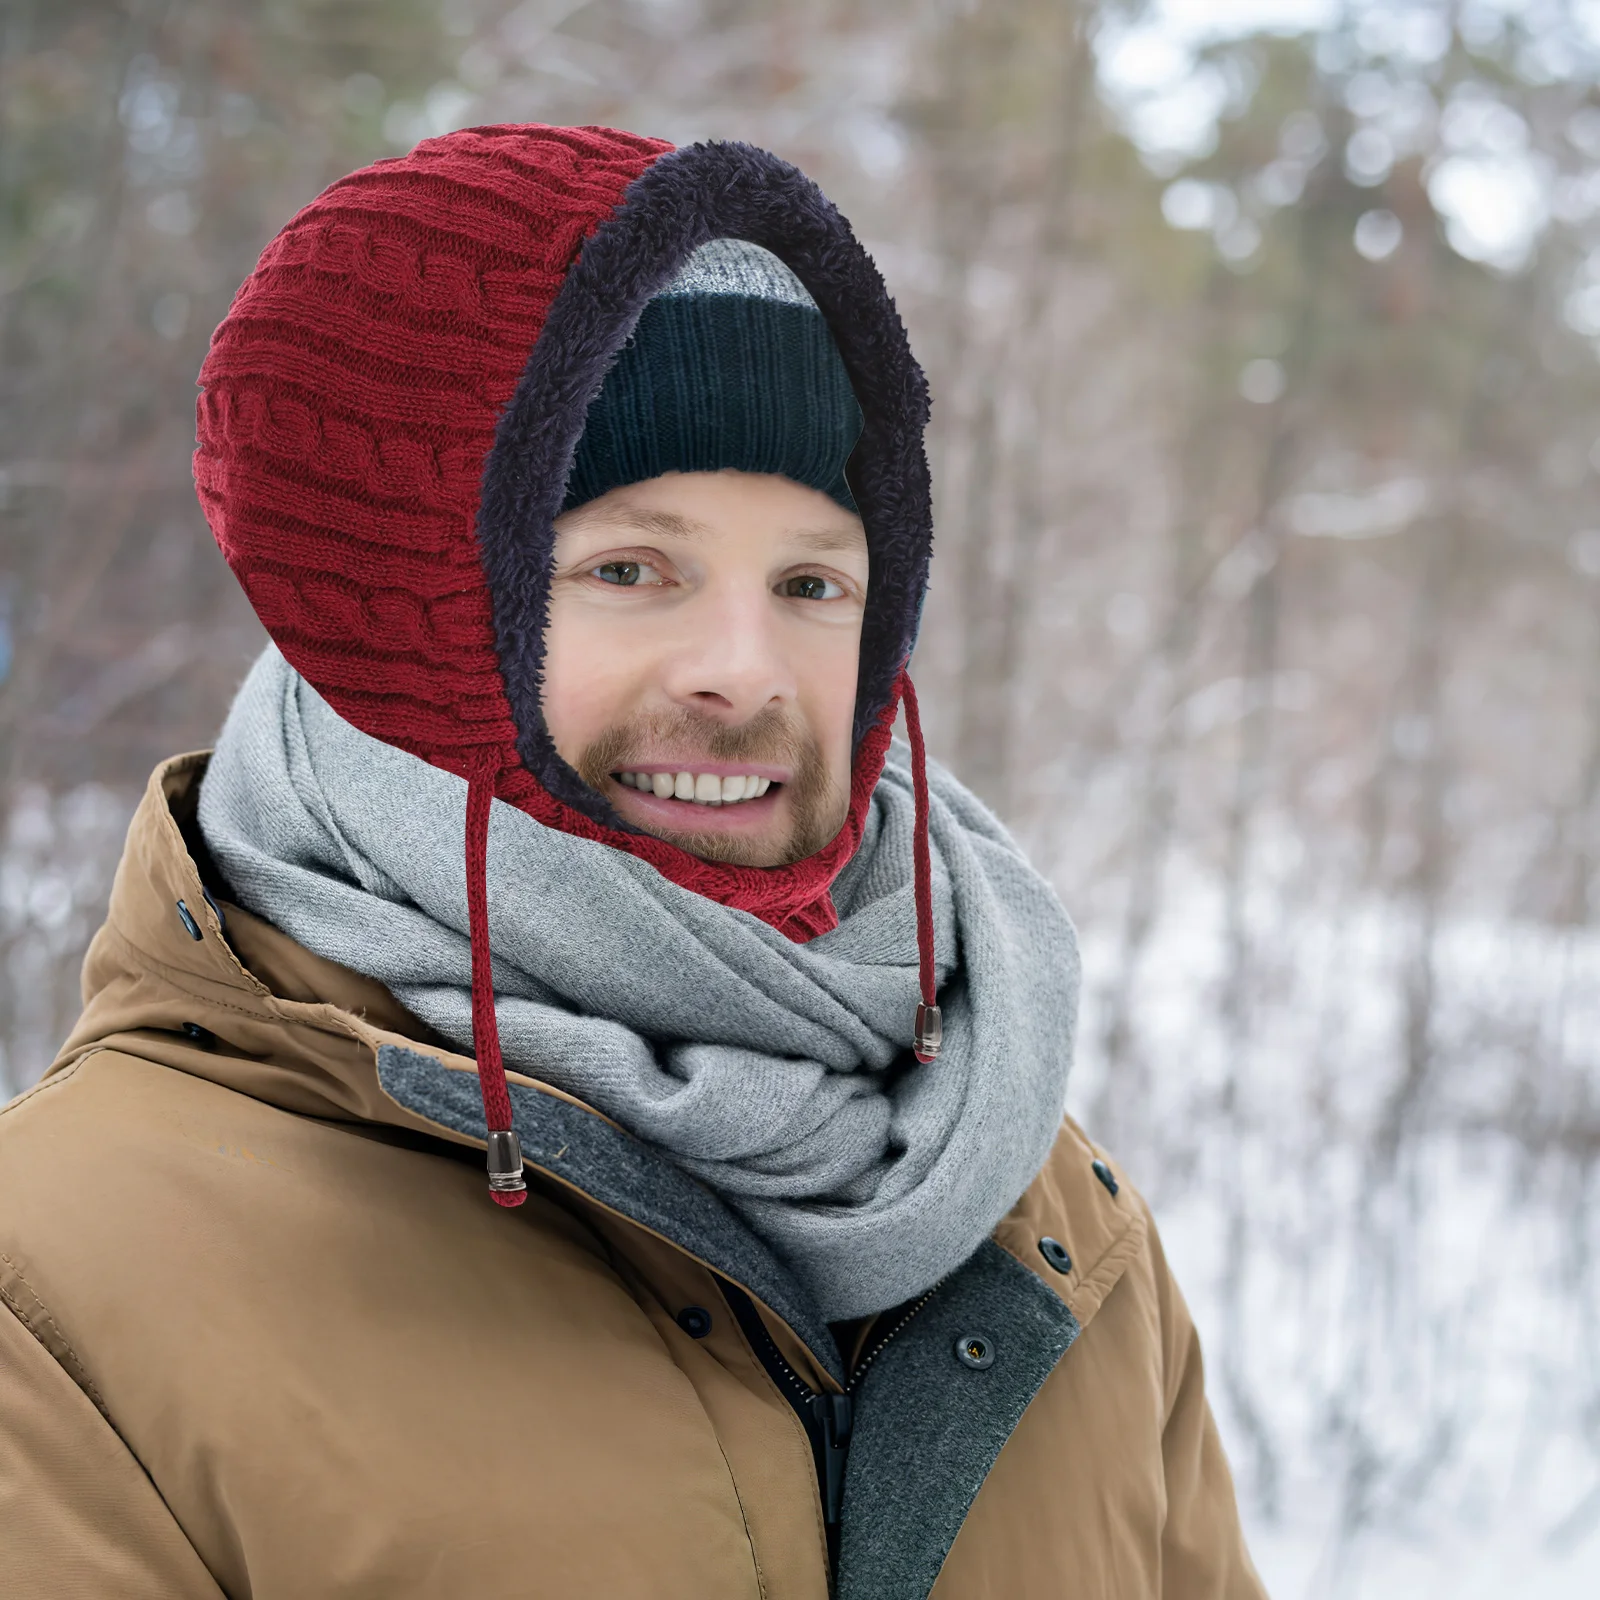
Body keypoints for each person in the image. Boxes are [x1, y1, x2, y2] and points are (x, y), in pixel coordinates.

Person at [0, 125, 1265, 1598]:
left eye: (812, 581)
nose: (747, 668)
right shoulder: (68, 1293)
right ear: (404, 624)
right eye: (627, 569)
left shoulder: (1050, 1217)